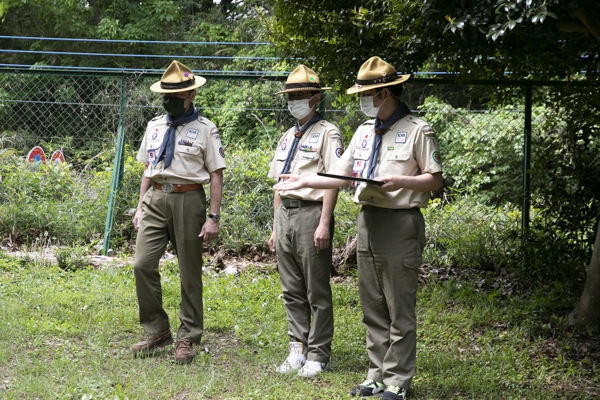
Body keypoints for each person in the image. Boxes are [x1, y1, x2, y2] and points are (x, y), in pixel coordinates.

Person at [274, 56, 443, 399]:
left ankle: (398, 380)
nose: (363, 100)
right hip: (368, 220)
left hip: (400, 222)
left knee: (398, 304)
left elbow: (435, 180)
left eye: (368, 93)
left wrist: (402, 180)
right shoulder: (365, 132)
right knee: (373, 303)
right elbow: (337, 172)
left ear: (385, 93)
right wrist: (302, 179)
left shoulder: (417, 129)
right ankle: (376, 374)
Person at [130, 60, 226, 364]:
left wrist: (213, 217)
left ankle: (187, 337)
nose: (170, 100)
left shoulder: (206, 129)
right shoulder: (155, 125)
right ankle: (157, 330)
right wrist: (140, 205)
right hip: (156, 199)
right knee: (142, 265)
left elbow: (216, 174)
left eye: (177, 94)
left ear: (192, 95)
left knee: (189, 273)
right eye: (167, 95)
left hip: (189, 201)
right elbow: (149, 166)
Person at [267, 65, 344, 378]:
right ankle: (297, 348)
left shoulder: (328, 132)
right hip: (285, 214)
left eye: (300, 95)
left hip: (312, 213)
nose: (295, 100)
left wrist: (324, 223)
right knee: (291, 288)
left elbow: (333, 180)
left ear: (315, 98)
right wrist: (275, 227)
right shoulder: (287, 136)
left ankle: (318, 353)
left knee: (316, 289)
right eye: (291, 96)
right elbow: (278, 183)